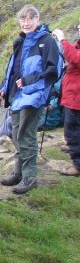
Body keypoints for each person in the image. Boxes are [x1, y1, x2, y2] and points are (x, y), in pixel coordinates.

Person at [0, 5, 61, 194]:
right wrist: (3, 88)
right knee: (17, 135)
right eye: (23, 19)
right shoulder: (20, 41)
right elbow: (13, 70)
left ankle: (29, 177)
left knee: (26, 135)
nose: (26, 23)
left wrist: (29, 81)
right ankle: (18, 172)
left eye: (30, 19)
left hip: (35, 96)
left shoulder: (47, 41)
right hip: (18, 97)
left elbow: (53, 72)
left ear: (37, 20)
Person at [52, 23, 80, 177]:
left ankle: (78, 166)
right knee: (73, 130)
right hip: (73, 97)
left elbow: (76, 58)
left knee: (72, 132)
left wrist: (62, 40)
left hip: (76, 99)